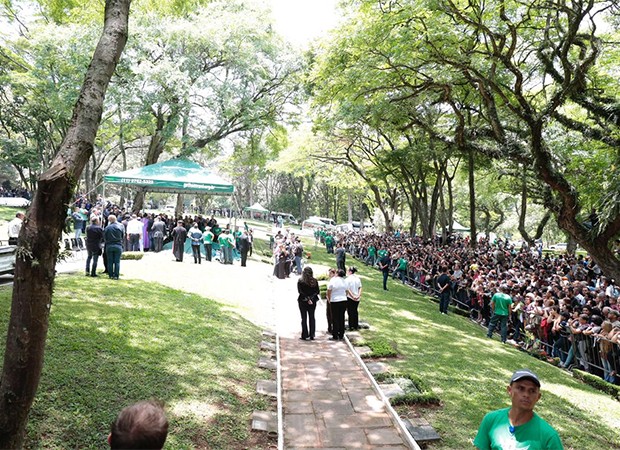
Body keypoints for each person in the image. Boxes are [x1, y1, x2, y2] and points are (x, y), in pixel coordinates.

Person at [474, 369, 563, 450]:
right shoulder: (491, 420)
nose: (526, 395)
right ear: (509, 390)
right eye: (521, 388)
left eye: (532, 391)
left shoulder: (549, 437)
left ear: (538, 397)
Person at [297, 267, 320, 340]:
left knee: (304, 318)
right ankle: (312, 334)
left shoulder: (300, 281)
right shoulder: (315, 281)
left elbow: (300, 292)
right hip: (313, 301)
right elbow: (317, 291)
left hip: (303, 301)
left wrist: (307, 298)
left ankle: (304, 334)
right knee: (312, 317)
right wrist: (311, 299)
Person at [327, 268, 348, 340]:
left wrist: (329, 299)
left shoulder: (333, 280)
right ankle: (341, 334)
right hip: (343, 300)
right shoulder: (345, 281)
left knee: (335, 318)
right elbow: (347, 291)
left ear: (337, 274)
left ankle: (335, 334)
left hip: (335, 300)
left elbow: (329, 291)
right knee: (341, 317)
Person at [104, 214, 124, 280]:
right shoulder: (121, 226)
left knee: (110, 261)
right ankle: (116, 275)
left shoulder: (107, 227)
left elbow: (104, 237)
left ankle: (110, 275)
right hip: (118, 244)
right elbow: (123, 235)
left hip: (109, 245)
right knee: (117, 262)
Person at [346, 266, 363, 330]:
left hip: (350, 297)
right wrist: (358, 295)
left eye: (347, 271)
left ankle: (351, 326)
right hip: (357, 297)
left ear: (350, 272)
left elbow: (348, 289)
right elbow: (360, 287)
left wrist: (352, 296)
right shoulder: (357, 278)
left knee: (350, 312)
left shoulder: (347, 279)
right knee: (355, 311)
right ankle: (356, 325)